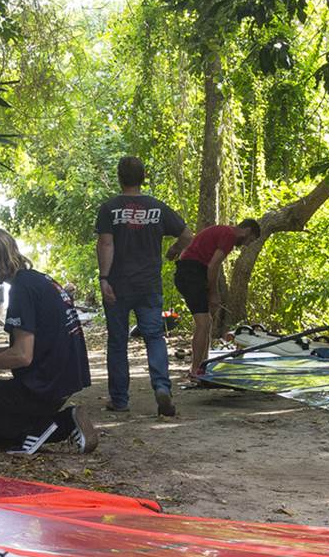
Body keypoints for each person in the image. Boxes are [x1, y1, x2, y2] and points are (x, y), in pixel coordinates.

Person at [0, 230, 98, 455]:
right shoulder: (39, 280)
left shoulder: (21, 289)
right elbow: (39, 343)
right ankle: (42, 426)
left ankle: (55, 424)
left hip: (41, 388)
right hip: (61, 382)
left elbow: (22, 356)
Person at [94, 156, 189, 418]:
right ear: (143, 177)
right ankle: (162, 387)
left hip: (118, 285)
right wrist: (174, 250)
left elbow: (106, 244)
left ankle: (120, 400)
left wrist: (104, 278)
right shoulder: (157, 208)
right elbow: (187, 235)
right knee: (154, 337)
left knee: (117, 342)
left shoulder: (109, 208)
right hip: (149, 285)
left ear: (119, 177)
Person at [175, 218, 261, 383]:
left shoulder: (223, 232)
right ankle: (195, 370)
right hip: (191, 273)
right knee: (203, 323)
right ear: (247, 231)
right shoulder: (229, 235)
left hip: (193, 272)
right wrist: (213, 293)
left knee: (207, 321)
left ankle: (203, 365)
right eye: (250, 240)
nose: (247, 245)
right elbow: (213, 266)